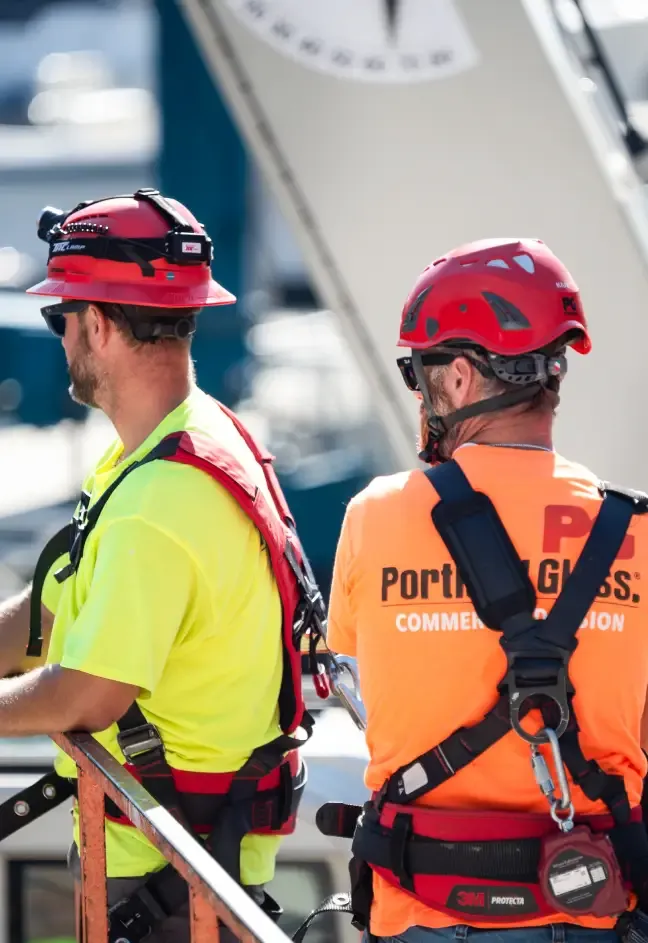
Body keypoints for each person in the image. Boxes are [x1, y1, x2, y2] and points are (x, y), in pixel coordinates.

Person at [0, 188, 322, 942]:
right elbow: (42, 613)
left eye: (62, 317)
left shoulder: (158, 498)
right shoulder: (181, 440)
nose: (62, 337)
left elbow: (88, 694)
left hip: (170, 884)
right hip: (177, 870)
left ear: (100, 325)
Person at [325, 238, 648, 943]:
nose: (419, 394)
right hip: (596, 904)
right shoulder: (636, 530)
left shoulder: (374, 517)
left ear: (464, 378)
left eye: (421, 372)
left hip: (425, 905)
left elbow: (351, 667)